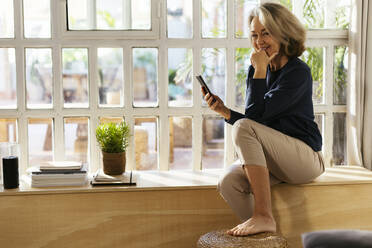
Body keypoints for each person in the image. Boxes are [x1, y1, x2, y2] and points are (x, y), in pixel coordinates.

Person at [201, 3, 325, 236]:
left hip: (306, 159)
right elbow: (256, 120)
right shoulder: (259, 69)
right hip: (276, 158)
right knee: (228, 182)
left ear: (283, 32)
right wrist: (226, 112)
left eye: (266, 33)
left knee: (243, 127)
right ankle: (267, 240)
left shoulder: (298, 72)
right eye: (254, 35)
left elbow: (253, 120)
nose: (259, 41)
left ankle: (263, 215)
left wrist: (258, 70)